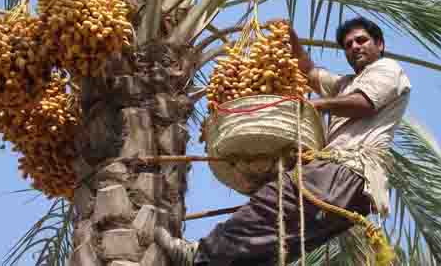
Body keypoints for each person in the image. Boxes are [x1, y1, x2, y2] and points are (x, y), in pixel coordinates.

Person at [155, 16, 411, 266]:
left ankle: (200, 255)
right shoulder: (346, 84)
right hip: (353, 192)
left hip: (347, 168)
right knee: (282, 239)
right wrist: (290, 37)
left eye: (361, 40)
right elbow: (309, 72)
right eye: (348, 45)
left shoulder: (387, 69)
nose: (354, 47)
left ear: (380, 45)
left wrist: (316, 104)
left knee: (272, 202)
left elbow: (363, 104)